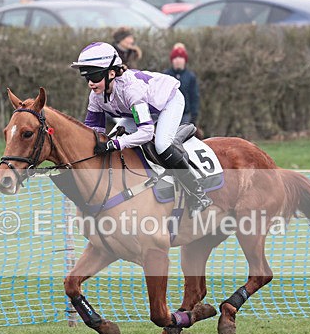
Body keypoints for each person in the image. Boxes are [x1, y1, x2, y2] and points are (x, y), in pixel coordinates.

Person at [71, 42, 212, 216]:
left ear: (111, 73)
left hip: (169, 101)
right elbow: (93, 132)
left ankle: (198, 193)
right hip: (135, 111)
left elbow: (146, 133)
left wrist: (116, 144)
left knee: (161, 145)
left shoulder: (131, 90)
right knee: (110, 142)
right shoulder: (96, 96)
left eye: (95, 77)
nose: (90, 84)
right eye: (87, 78)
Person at [163, 43, 200, 127]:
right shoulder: (166, 75)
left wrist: (194, 116)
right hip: (168, 114)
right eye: (175, 58)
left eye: (180, 58)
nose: (178, 60)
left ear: (184, 60)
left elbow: (194, 97)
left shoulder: (191, 77)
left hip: (185, 115)